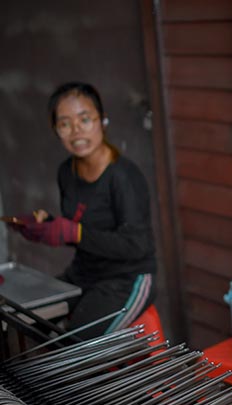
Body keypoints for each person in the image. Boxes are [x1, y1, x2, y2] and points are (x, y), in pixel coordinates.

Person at [7, 82, 156, 340]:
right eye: (65, 124)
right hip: (84, 272)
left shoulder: (123, 177)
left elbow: (137, 245)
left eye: (84, 120)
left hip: (126, 279)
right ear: (56, 130)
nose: (76, 131)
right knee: (29, 319)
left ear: (102, 121)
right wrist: (47, 226)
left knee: (71, 342)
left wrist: (74, 233)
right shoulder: (67, 171)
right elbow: (79, 226)